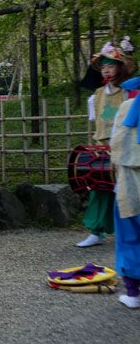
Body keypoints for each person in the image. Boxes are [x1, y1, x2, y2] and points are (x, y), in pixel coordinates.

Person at [77, 40, 134, 247]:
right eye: (103, 67)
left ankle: (128, 231)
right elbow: (96, 123)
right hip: (102, 148)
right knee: (98, 188)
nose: (106, 71)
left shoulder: (130, 93)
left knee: (127, 190)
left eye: (110, 66)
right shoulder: (96, 96)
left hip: (125, 148)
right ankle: (96, 231)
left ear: (120, 68)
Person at [109, 75, 140, 309]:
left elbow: (116, 144)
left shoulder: (127, 106)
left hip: (130, 180)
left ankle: (133, 293)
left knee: (129, 236)